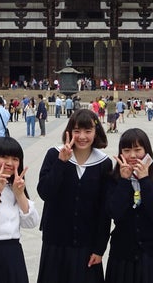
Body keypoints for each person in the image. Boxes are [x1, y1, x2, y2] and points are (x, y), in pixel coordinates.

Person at [37, 109, 112, 283]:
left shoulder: (104, 163)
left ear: (96, 132)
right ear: (69, 132)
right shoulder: (54, 154)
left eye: (88, 131)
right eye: (77, 131)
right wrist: (61, 162)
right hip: (56, 241)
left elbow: (104, 211)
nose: (82, 137)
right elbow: (44, 192)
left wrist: (100, 248)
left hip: (87, 245)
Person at [106, 128, 153, 283]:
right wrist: (124, 181)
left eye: (138, 149)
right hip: (123, 254)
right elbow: (113, 213)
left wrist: (144, 180)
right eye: (127, 150)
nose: (133, 155)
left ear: (147, 151)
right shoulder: (114, 179)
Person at [0, 137, 40, 283]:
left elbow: (32, 222)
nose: (10, 163)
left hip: (13, 254)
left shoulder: (14, 186)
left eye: (15, 158)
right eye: (4, 157)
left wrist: (20, 194)